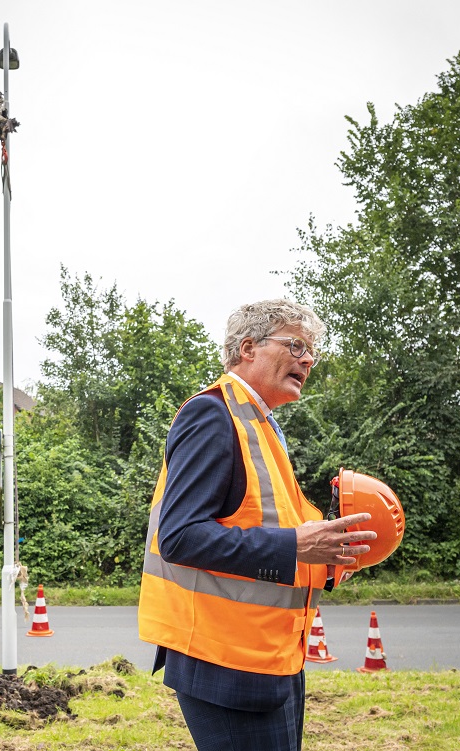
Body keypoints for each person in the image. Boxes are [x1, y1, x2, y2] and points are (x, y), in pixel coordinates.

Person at [137, 299, 377, 751]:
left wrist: (324, 561)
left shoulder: (260, 425)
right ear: (248, 348)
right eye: (296, 346)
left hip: (269, 657)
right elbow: (180, 537)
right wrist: (295, 547)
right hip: (226, 662)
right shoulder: (213, 414)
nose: (308, 360)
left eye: (312, 352)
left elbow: (272, 525)